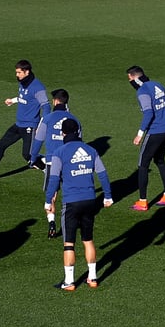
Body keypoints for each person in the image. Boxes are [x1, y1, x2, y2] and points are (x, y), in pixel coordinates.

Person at [44, 118, 112, 290]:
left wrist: (48, 200)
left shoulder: (59, 152)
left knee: (69, 243)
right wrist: (107, 196)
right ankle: (93, 278)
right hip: (90, 200)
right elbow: (103, 174)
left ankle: (69, 281)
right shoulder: (91, 150)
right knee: (88, 240)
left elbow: (54, 179)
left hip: (71, 202)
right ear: (78, 132)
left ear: (63, 133)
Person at [30, 88, 80, 238]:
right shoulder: (74, 120)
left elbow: (38, 140)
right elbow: (79, 143)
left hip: (52, 162)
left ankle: (51, 222)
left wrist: (33, 158)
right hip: (69, 162)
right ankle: (71, 220)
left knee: (52, 193)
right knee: (70, 193)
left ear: (55, 101)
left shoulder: (48, 118)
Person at [127, 65, 165, 211]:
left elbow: (148, 113)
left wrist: (140, 134)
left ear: (134, 77)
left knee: (143, 165)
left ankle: (142, 201)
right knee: (160, 160)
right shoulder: (158, 85)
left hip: (155, 131)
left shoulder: (143, 91)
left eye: (129, 79)